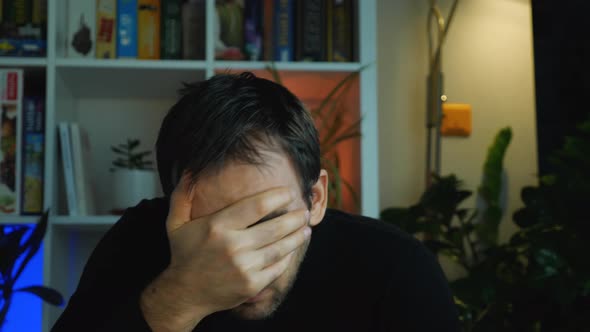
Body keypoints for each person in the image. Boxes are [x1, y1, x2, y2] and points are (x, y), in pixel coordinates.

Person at [52, 72, 460, 331]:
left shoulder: (396, 270)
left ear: (314, 198)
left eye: (266, 221)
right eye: (209, 228)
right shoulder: (139, 240)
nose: (239, 262)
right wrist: (178, 300)